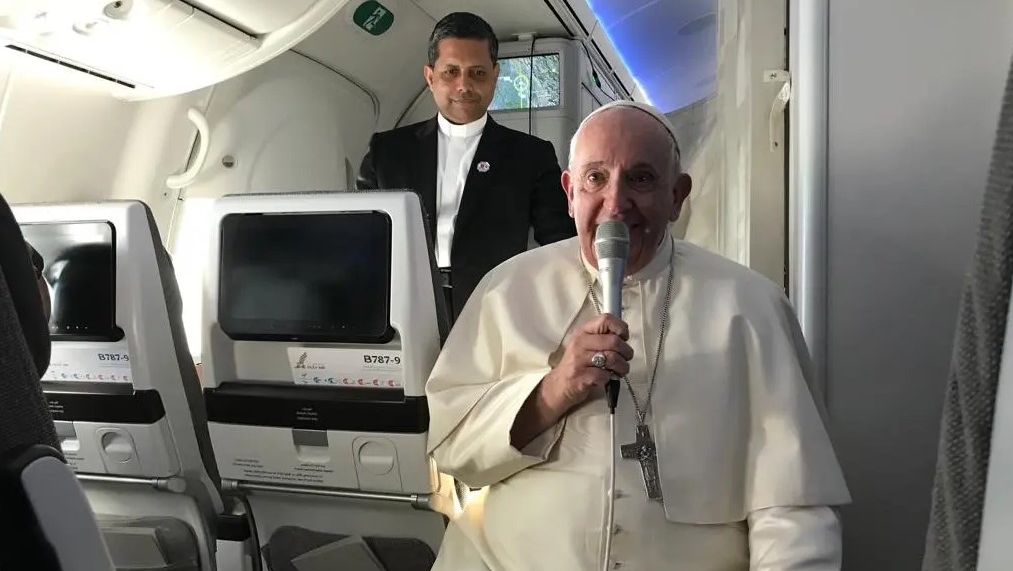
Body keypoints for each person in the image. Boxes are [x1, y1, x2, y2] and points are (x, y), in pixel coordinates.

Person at [424, 100, 852, 570]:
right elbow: (454, 454)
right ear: (569, 193)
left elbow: (792, 504)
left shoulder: (751, 308)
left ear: (677, 196)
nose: (615, 202)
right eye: (595, 178)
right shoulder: (505, 290)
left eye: (641, 178)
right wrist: (551, 391)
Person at [356, 11, 576, 321]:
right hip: (403, 306)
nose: (464, 85)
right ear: (430, 77)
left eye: (477, 73)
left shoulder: (530, 155)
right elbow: (363, 234)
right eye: (451, 72)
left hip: (495, 307)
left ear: (495, 76)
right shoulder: (388, 150)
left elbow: (560, 242)